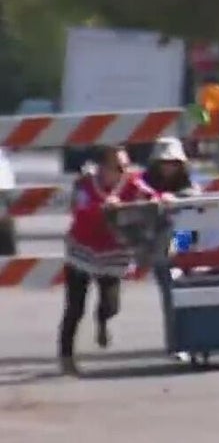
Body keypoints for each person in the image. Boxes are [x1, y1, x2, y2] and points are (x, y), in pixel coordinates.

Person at [59, 145, 158, 375]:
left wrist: (159, 199)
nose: (123, 171)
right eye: (117, 167)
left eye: (126, 166)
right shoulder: (86, 185)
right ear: (103, 169)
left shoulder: (131, 184)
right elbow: (80, 210)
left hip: (113, 252)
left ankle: (102, 321)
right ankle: (66, 357)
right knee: (75, 307)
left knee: (111, 304)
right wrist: (103, 208)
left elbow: (150, 196)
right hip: (82, 249)